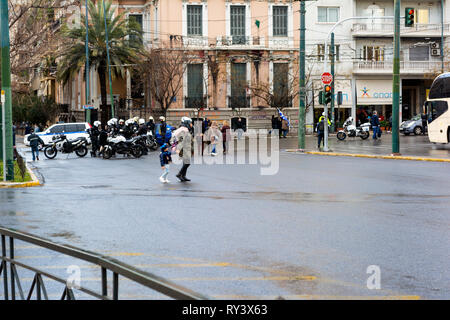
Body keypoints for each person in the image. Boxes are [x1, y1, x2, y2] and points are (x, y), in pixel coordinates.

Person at [173, 117, 193, 182]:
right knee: (187, 162)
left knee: (186, 162)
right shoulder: (183, 130)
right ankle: (180, 174)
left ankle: (183, 176)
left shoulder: (184, 129)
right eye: (190, 123)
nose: (191, 124)